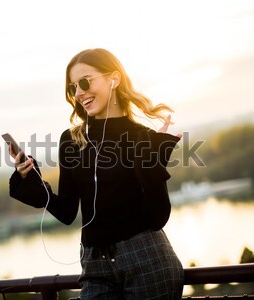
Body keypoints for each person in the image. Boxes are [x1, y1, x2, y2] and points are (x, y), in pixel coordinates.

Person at [9, 48, 184, 299]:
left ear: (114, 78)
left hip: (147, 258)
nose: (79, 93)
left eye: (84, 82)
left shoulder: (142, 137)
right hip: (94, 265)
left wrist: (153, 160)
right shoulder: (71, 140)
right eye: (73, 87)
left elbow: (157, 218)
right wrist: (30, 178)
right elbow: (67, 211)